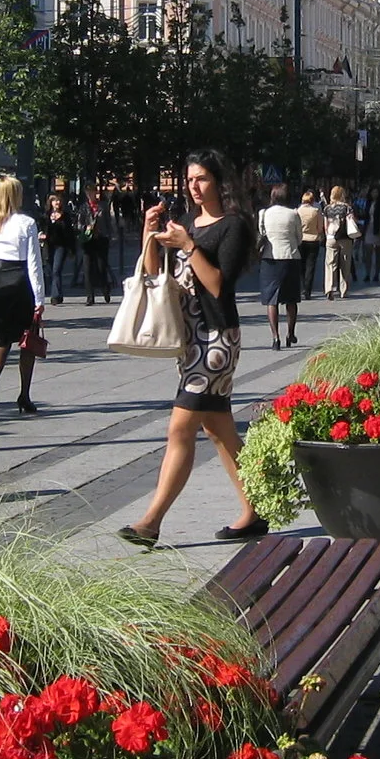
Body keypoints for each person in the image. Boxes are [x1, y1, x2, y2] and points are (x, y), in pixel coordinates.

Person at [119, 152, 260, 549]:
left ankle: (151, 521)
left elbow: (218, 285)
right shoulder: (185, 222)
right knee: (220, 431)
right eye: (190, 179)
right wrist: (149, 234)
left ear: (219, 182)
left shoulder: (234, 226)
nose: (194, 187)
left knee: (180, 428)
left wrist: (189, 245)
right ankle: (256, 508)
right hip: (190, 339)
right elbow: (154, 272)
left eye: (202, 179)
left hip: (217, 340)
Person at [0, 175, 46, 417]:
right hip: (19, 281)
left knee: (1, 341)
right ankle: (24, 394)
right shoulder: (26, 223)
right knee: (27, 340)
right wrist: (39, 299)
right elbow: (34, 264)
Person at [257, 183, 303, 349]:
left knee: (271, 299)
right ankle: (290, 334)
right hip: (290, 257)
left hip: (270, 258)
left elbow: (261, 234)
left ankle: (275, 338)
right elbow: (299, 237)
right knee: (291, 299)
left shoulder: (263, 213)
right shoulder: (293, 213)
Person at [42, 192, 80, 305]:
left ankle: (55, 296)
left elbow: (70, 234)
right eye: (54, 200)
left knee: (56, 270)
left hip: (61, 246)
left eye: (58, 200)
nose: (57, 202)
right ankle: (58, 293)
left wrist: (72, 249)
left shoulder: (65, 216)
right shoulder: (46, 215)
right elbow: (41, 228)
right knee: (49, 270)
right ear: (51, 202)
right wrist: (41, 234)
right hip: (48, 246)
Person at [323, 184, 357, 299]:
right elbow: (352, 221)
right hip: (345, 238)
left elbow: (325, 226)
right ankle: (343, 290)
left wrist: (328, 235)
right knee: (345, 264)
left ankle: (329, 288)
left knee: (330, 264)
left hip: (331, 238)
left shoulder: (327, 208)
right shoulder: (347, 207)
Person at [80, 189, 113, 305]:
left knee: (101, 268)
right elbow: (79, 223)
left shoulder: (103, 206)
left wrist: (109, 235)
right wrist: (85, 227)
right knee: (87, 269)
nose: (90, 194)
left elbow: (108, 222)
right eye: (88, 193)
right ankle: (90, 297)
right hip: (88, 241)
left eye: (92, 192)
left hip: (101, 239)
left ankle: (105, 289)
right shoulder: (84, 207)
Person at [296, 189, 326, 299]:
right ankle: (307, 290)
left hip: (301, 240)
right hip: (313, 240)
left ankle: (302, 286)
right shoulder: (316, 211)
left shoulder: (298, 211)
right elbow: (320, 228)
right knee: (311, 266)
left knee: (301, 265)